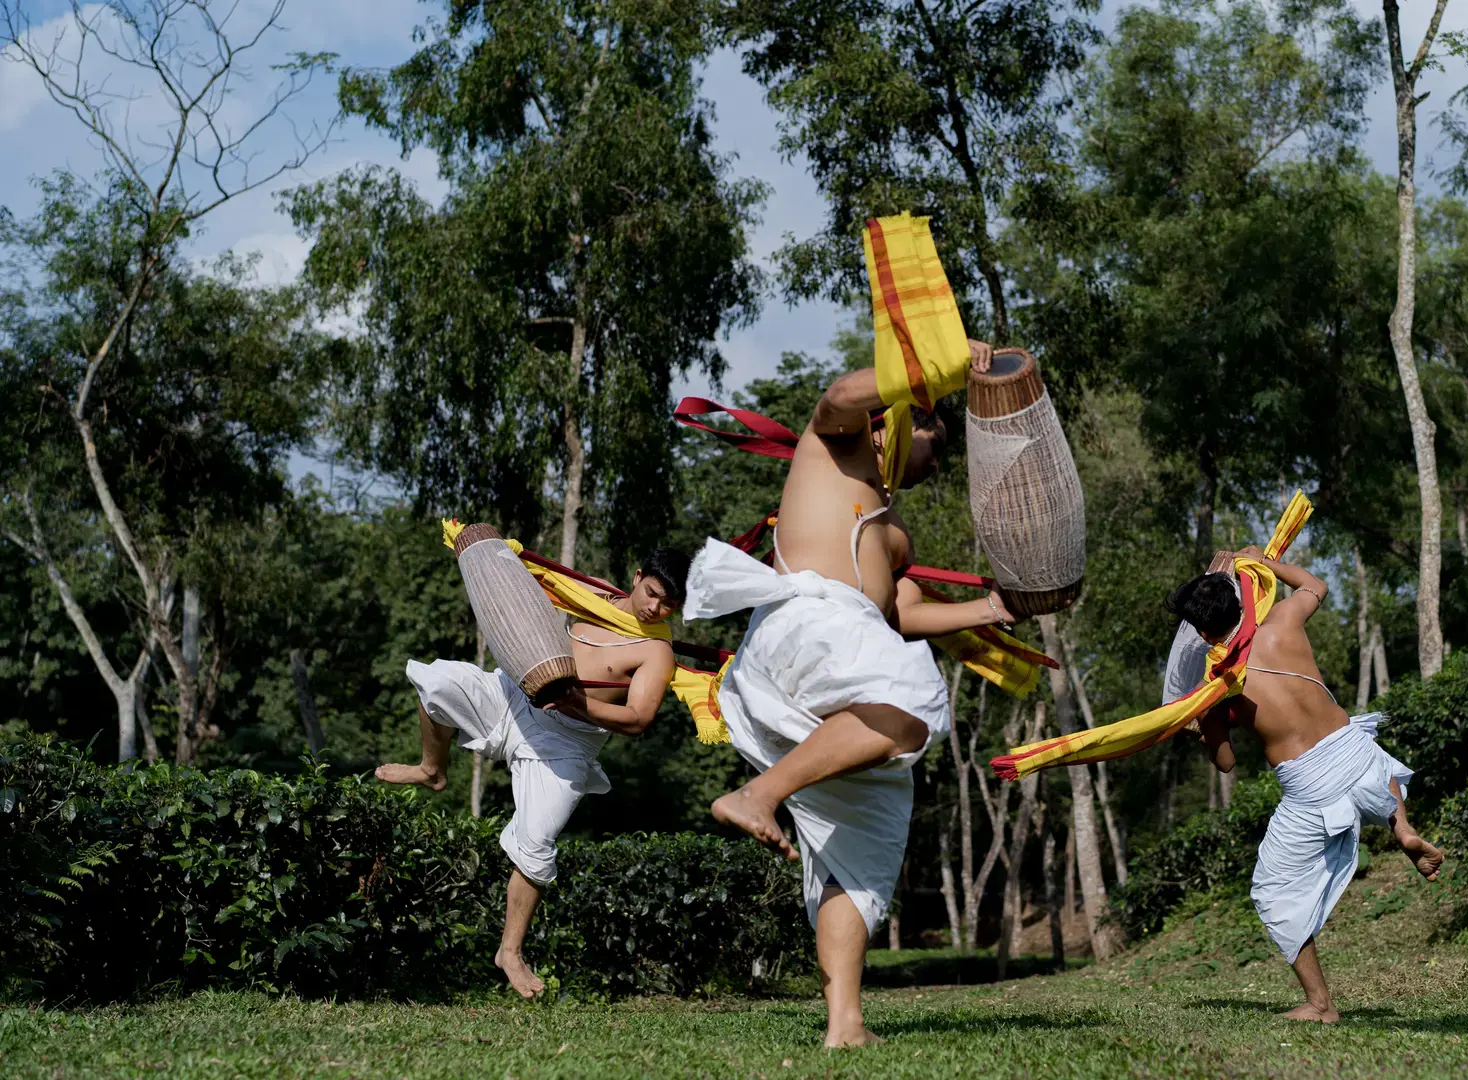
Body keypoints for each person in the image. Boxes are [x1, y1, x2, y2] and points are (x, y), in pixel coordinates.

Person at [683, 339, 1019, 1048]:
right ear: (905, 420)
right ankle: (758, 794)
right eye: (939, 440)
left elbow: (901, 617)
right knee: (917, 708)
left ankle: (846, 1024)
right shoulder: (833, 447)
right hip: (807, 629)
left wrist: (993, 611)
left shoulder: (893, 526)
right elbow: (838, 397)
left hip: (837, 662)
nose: (940, 460)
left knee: (860, 851)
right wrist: (945, 361)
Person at [375, 547, 690, 999]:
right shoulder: (589, 595)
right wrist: (491, 551)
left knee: (537, 843)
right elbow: (523, 592)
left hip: (567, 741)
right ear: (637, 577)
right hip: (512, 694)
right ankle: (431, 769)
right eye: (652, 593)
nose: (655, 608)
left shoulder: (658, 652)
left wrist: (575, 704)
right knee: (438, 681)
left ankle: (510, 952)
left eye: (668, 606)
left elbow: (638, 719)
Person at [1169, 546, 1444, 1024]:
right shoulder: (1283, 623)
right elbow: (1316, 584)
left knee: (1272, 891)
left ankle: (1321, 1004)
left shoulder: (1218, 689)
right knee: (1369, 753)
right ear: (1241, 600)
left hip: (1310, 785)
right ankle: (1400, 827)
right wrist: (1259, 560)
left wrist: (1203, 731)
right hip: (1354, 752)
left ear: (1202, 632)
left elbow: (1228, 763)